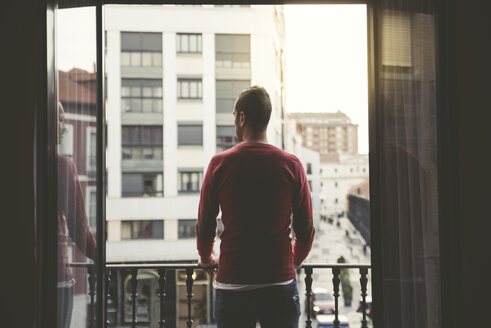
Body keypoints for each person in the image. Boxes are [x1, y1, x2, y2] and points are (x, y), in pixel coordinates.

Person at [196, 86, 315, 328]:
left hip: (233, 284)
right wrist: (294, 260)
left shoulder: (219, 164)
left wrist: (207, 257)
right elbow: (305, 228)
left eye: (234, 116)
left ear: (242, 117)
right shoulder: (292, 165)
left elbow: (206, 222)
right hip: (279, 282)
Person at [57, 102, 97, 328]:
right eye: (60, 119)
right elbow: (79, 227)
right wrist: (99, 256)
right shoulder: (63, 166)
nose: (63, 126)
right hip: (57, 277)